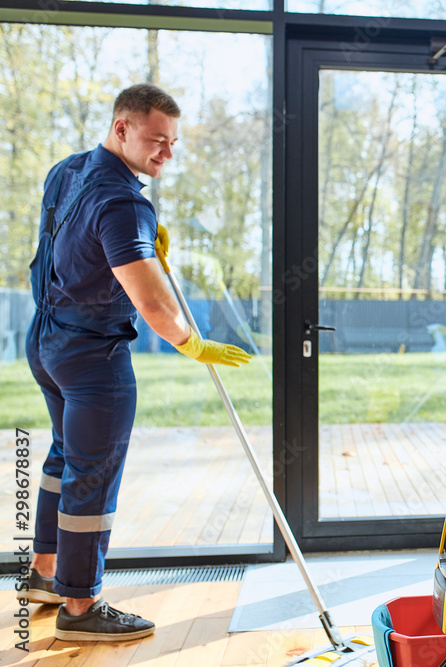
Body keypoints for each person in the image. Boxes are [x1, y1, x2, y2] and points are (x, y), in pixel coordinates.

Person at [24, 84, 251, 642]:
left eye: (173, 142)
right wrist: (192, 343)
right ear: (121, 128)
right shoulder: (125, 203)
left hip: (47, 341)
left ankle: (46, 574)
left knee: (64, 457)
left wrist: (141, 242)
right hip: (94, 358)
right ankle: (82, 607)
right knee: (93, 479)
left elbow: (72, 247)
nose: (166, 154)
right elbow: (152, 303)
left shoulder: (67, 170)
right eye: (157, 140)